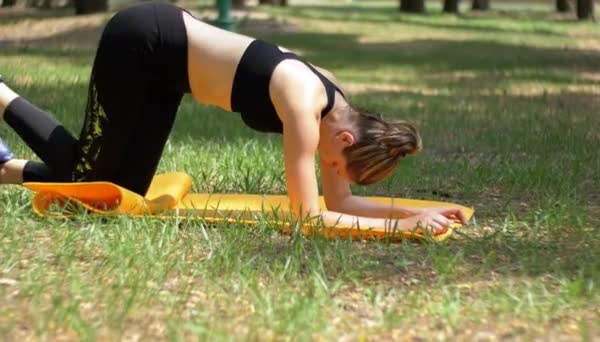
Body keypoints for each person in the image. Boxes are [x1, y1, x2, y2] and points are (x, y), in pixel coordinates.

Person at [0, 2, 467, 234]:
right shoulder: (305, 105)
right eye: (338, 167)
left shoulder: (337, 106)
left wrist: (414, 212)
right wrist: (397, 227)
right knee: (88, 174)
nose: (333, 175)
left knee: (115, 193)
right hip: (140, 42)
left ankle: (5, 169)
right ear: (345, 139)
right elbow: (310, 216)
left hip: (166, 76)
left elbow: (340, 206)